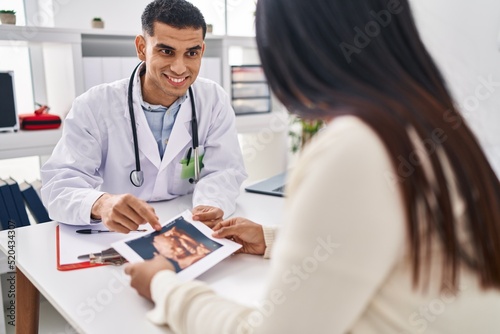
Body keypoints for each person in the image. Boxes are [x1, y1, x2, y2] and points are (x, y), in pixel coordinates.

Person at [125, 0, 500, 332]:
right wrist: (272, 239)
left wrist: (164, 286)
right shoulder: (430, 121)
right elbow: (385, 246)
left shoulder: (356, 146)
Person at [40, 0, 247, 233]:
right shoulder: (94, 105)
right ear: (141, 48)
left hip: (187, 225)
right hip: (116, 232)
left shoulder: (213, 100)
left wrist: (211, 203)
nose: (180, 68)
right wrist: (100, 203)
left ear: (202, 51)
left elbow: (225, 169)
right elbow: (58, 185)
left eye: (191, 53)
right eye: (166, 51)